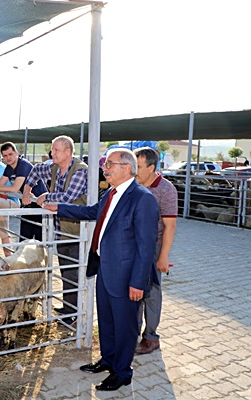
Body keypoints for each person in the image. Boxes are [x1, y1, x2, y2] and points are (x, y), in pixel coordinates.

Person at [44, 149, 158, 391]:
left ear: (126, 167)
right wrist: (59, 208)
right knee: (107, 320)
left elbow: (146, 247)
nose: (105, 169)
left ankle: (122, 372)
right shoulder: (112, 193)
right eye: (105, 165)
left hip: (127, 276)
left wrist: (138, 282)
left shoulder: (143, 198)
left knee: (125, 325)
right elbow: (91, 212)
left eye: (110, 164)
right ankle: (108, 360)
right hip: (105, 269)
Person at [23, 136, 86, 320]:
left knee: (72, 271)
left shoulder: (80, 170)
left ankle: (73, 313)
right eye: (52, 149)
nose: (53, 153)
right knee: (66, 270)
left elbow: (68, 197)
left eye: (57, 150)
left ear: (68, 152)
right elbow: (35, 170)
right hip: (61, 229)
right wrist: (28, 189)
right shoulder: (55, 167)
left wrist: (46, 196)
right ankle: (68, 309)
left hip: (76, 230)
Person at [132, 147, 178, 355]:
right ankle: (133, 332)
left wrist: (163, 256)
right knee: (134, 290)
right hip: (133, 245)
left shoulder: (166, 189)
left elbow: (170, 225)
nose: (134, 171)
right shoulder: (133, 185)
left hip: (153, 246)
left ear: (151, 167)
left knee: (150, 292)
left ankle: (151, 337)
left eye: (138, 167)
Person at [0, 142, 45, 256]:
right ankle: (23, 269)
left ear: (17, 153)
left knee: (38, 241)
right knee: (24, 239)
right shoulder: (9, 168)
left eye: (10, 154)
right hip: (27, 203)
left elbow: (15, 188)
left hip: (39, 203)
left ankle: (40, 270)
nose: (8, 158)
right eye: (5, 156)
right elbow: (0, 184)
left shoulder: (23, 165)